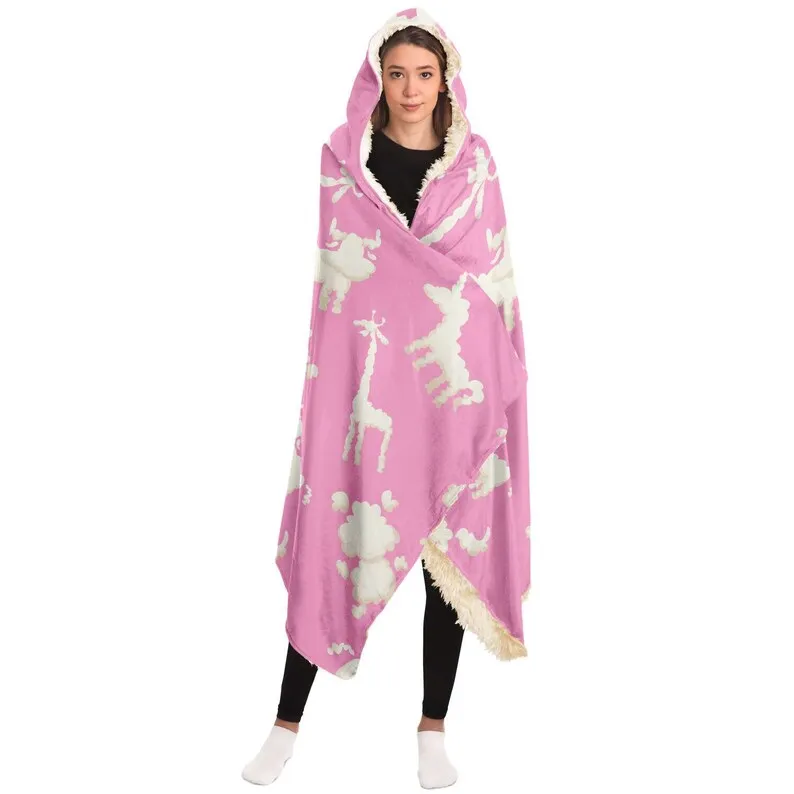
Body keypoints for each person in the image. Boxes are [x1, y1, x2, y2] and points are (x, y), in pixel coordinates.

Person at [242, 7, 531, 790]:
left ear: (445, 80)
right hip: (366, 387)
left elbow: (489, 284)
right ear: (377, 78)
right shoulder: (344, 165)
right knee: (333, 543)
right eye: (396, 73)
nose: (410, 89)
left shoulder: (475, 167)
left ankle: (433, 728)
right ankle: (284, 725)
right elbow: (344, 288)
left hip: (453, 389)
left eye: (423, 74)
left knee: (448, 557)